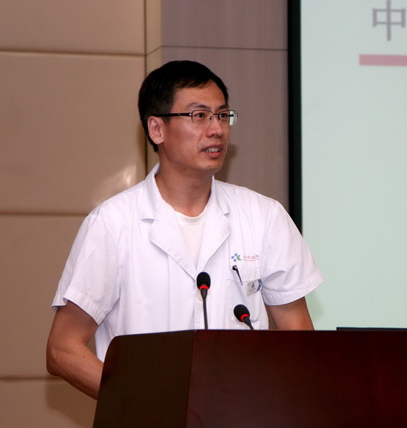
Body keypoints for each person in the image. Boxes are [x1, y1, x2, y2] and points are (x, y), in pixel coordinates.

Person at [46, 60, 323, 399]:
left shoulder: (264, 216)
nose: (217, 129)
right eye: (199, 115)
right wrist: (139, 405)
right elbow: (62, 350)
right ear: (156, 129)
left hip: (242, 421)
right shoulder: (113, 223)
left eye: (223, 115)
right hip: (145, 423)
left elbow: (299, 337)